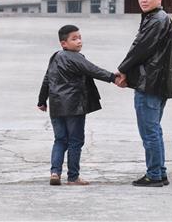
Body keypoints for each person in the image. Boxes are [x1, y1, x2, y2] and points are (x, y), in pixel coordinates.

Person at [37, 24, 121, 186]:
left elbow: (47, 79)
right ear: (64, 43)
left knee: (60, 140)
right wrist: (113, 77)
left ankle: (55, 172)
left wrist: (42, 101)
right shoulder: (76, 58)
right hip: (74, 107)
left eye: (80, 38)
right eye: (74, 39)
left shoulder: (55, 57)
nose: (79, 42)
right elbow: (93, 70)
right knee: (75, 141)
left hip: (56, 106)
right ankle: (73, 177)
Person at [116, 0, 172, 187]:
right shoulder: (157, 19)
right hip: (158, 83)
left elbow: (140, 49)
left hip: (150, 84)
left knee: (149, 132)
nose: (143, 0)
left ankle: (154, 175)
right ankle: (160, 172)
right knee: (154, 130)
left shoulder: (156, 20)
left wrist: (122, 70)